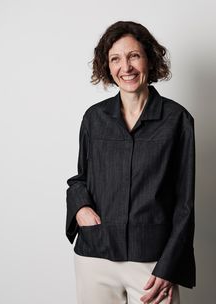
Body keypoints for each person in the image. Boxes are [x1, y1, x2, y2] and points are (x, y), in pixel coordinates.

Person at [65, 21, 196, 304]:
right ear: (108, 67)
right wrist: (81, 208)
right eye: (116, 59)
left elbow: (184, 203)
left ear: (149, 58)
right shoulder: (93, 119)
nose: (126, 67)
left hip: (152, 264)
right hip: (95, 257)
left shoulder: (177, 120)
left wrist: (170, 265)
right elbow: (80, 179)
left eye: (134, 56)